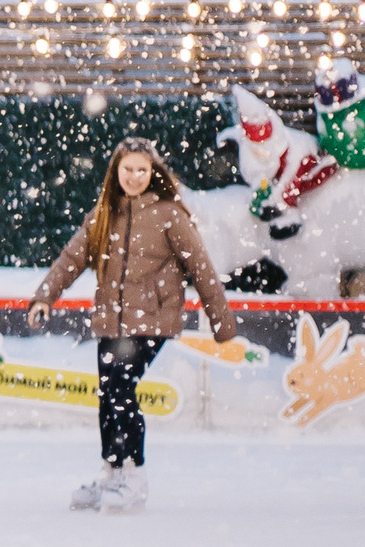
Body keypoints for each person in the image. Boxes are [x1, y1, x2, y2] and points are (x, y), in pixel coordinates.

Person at [26, 137, 238, 514]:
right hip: (112, 320)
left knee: (121, 387)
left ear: (153, 172)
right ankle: (111, 473)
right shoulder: (104, 213)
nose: (135, 176)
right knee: (108, 394)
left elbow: (200, 267)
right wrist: (45, 296)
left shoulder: (169, 214)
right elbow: (72, 257)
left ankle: (134, 477)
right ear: (116, 172)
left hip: (153, 320)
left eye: (143, 170)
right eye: (128, 169)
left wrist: (222, 323)